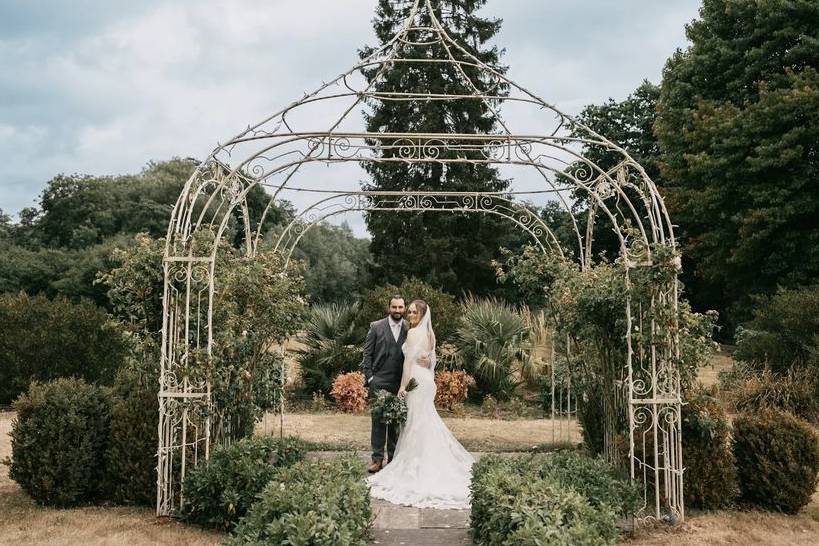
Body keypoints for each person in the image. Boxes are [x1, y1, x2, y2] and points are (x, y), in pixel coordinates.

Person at [366, 300, 474, 509]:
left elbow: (408, 362)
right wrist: (429, 364)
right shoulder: (430, 334)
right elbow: (431, 358)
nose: (410, 314)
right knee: (422, 422)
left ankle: (414, 464)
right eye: (410, 311)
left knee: (415, 424)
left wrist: (402, 387)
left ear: (422, 314)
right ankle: (423, 460)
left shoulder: (414, 332)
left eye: (414, 312)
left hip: (415, 380)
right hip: (426, 381)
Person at [362, 295, 409, 473]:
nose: (397, 311)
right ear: (389, 307)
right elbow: (367, 354)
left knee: (396, 422)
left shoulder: (409, 327)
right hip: (379, 381)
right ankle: (377, 459)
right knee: (378, 422)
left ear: (404, 308)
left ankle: (393, 460)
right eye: (394, 307)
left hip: (400, 383)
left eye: (400, 307)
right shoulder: (376, 326)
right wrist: (370, 377)